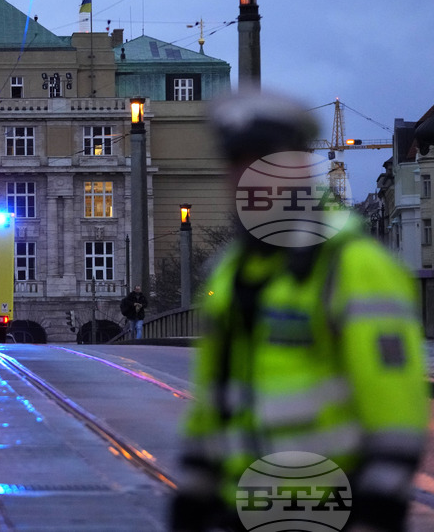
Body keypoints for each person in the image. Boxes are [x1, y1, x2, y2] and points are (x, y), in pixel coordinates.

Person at [170, 92, 429, 532]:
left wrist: (380, 503)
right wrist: (194, 487)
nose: (249, 178)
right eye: (238, 163)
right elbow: (214, 394)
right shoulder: (232, 270)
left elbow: (395, 399)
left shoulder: (354, 265)